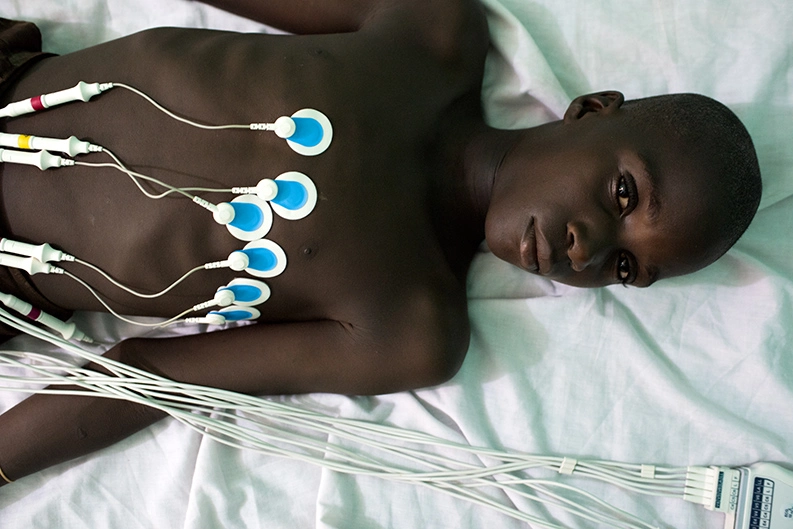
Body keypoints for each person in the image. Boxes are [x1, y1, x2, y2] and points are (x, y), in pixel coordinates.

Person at [0, 0, 761, 486]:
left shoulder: (411, 328)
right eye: (622, 194)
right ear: (593, 110)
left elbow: (154, 372)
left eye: (625, 267)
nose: (588, 247)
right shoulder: (431, 29)